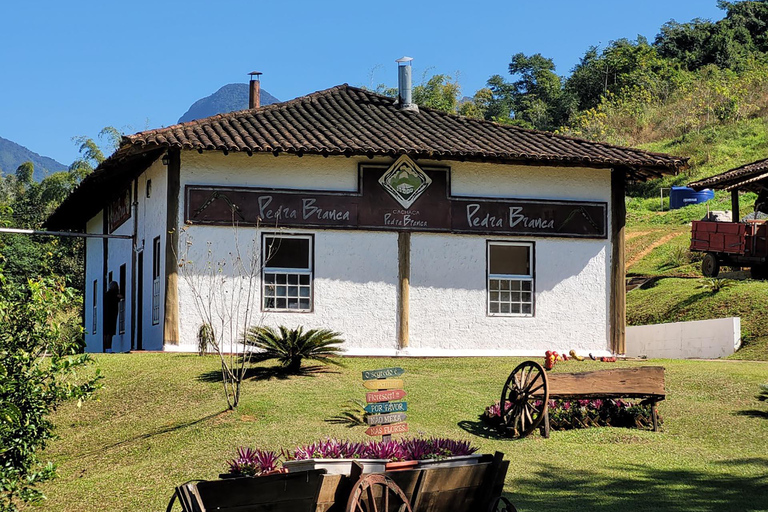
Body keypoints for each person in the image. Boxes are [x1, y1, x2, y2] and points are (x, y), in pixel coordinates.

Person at [104, 281, 121, 352]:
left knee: (106, 333)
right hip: (112, 315)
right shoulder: (114, 294)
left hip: (106, 315)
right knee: (110, 333)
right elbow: (120, 297)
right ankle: (109, 348)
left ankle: (106, 348)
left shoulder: (107, 294)